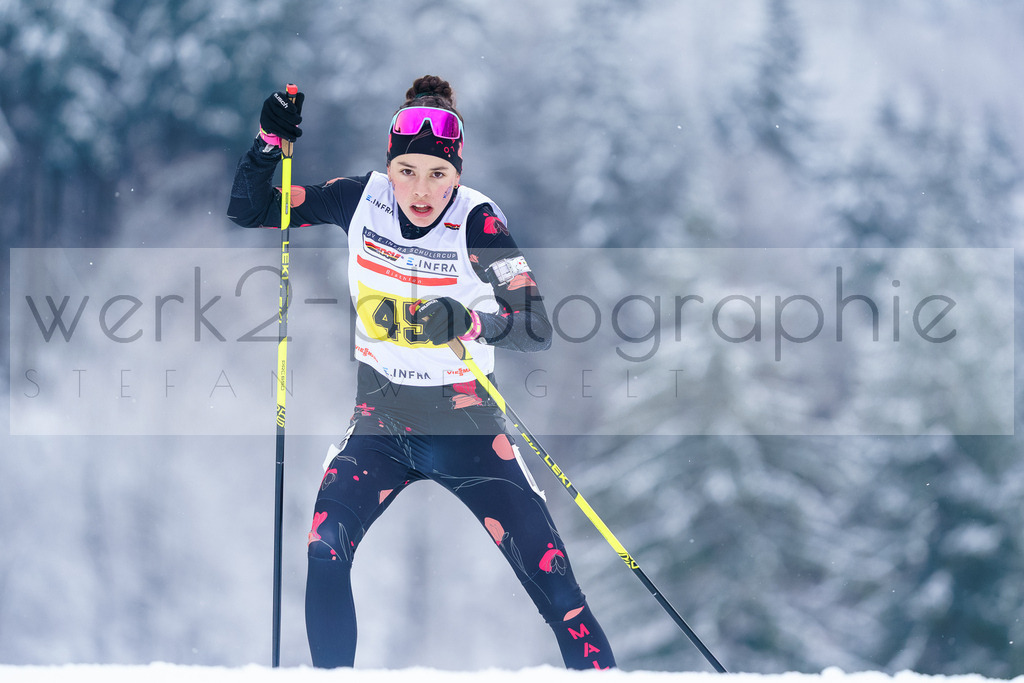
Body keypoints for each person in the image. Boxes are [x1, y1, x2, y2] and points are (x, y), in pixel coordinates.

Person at [227, 75, 615, 670]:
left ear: (456, 173)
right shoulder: (361, 198)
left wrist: (468, 320)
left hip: (467, 425)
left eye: (438, 174)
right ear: (390, 166)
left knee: (556, 589)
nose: (421, 189)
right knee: (324, 549)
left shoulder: (479, 222)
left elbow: (534, 323)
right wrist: (267, 142)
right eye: (407, 170)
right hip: (381, 421)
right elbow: (251, 208)